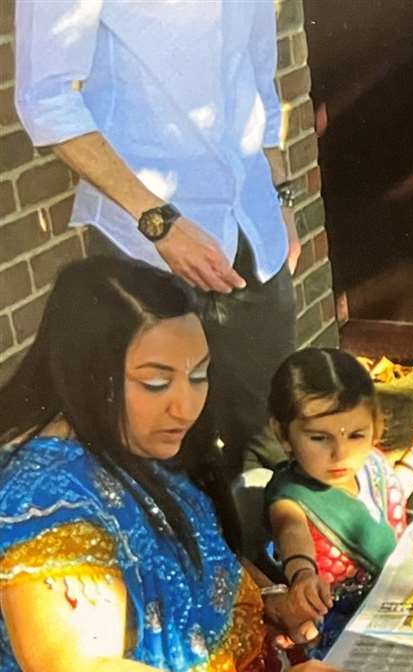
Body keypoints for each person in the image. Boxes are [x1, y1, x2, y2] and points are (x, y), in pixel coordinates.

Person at [0, 258, 362, 672]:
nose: (185, 404)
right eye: (156, 380)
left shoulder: (132, 445)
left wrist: (267, 606)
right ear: (89, 371)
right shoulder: (47, 495)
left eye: (197, 377)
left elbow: (195, 571)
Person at [15, 0, 303, 474]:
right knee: (161, 458)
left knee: (267, 446)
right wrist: (159, 221)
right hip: (146, 248)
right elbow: (45, 100)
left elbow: (257, 82)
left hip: (255, 235)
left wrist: (282, 200)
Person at [265, 349, 413, 647]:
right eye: (319, 438)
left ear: (376, 425)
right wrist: (302, 576)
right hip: (348, 633)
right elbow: (292, 533)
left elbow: (386, 506)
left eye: (356, 435)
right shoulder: (290, 497)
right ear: (283, 433)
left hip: (408, 600)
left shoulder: (370, 463)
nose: (341, 453)